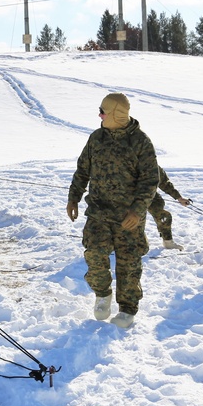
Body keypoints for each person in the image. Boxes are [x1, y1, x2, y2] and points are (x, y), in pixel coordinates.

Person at [66, 92, 159, 329]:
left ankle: (127, 309)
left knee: (129, 264)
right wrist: (73, 198)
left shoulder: (140, 142)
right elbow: (82, 171)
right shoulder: (96, 138)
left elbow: (150, 180)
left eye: (103, 111)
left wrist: (137, 211)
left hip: (128, 216)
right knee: (94, 254)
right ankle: (102, 293)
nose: (99, 116)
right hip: (98, 212)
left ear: (116, 113)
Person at [149, 166, 191, 250]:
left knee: (161, 209)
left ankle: (168, 241)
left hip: (145, 193)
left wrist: (179, 198)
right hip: (122, 195)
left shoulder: (150, 162)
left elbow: (164, 183)